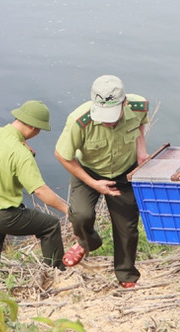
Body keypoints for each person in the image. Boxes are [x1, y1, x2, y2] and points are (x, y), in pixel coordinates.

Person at [54, 75, 149, 289]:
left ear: (124, 103)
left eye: (113, 115)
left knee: (127, 227)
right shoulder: (79, 120)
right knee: (80, 214)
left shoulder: (139, 106)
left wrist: (141, 150)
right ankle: (87, 241)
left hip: (124, 172)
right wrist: (93, 183)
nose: (107, 121)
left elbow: (141, 124)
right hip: (89, 171)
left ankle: (126, 274)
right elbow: (62, 155)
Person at [0, 100, 69, 268]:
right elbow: (40, 191)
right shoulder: (21, 153)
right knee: (50, 225)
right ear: (33, 128)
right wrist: (67, 209)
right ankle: (55, 272)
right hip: (4, 217)